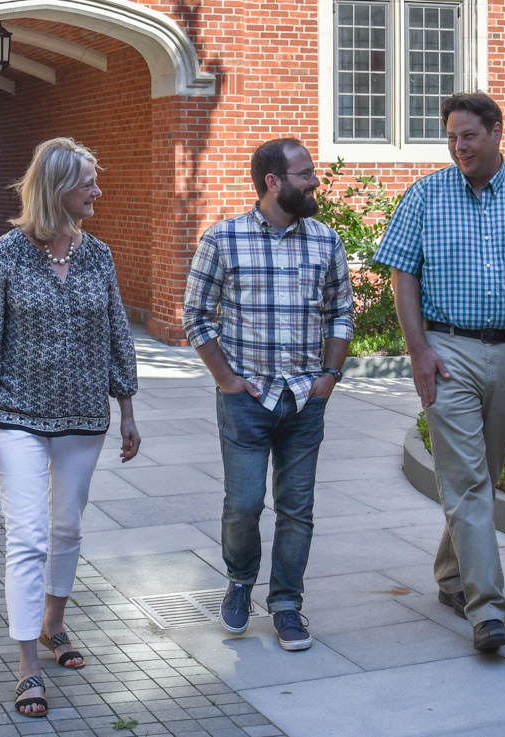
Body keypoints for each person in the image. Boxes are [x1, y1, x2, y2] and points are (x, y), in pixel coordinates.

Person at [374, 93, 505, 652]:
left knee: (481, 475)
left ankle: (448, 575)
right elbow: (403, 276)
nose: (459, 146)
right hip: (447, 350)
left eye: (468, 136)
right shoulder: (425, 196)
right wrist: (418, 350)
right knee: (466, 480)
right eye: (451, 138)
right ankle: (487, 609)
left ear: (495, 132)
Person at [0, 137, 140, 716]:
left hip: (84, 417)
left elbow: (118, 333)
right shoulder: (6, 255)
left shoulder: (100, 255)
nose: (98, 190)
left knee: (66, 528)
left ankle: (53, 624)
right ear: (57, 188)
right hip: (16, 417)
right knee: (28, 536)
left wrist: (128, 409)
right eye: (88, 181)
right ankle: (27, 667)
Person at [183, 138, 354, 651]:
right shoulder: (223, 240)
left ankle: (286, 604)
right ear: (273, 182)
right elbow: (195, 316)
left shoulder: (326, 242)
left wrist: (331, 375)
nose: (315, 181)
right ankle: (239, 582)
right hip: (246, 398)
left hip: (305, 398)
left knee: (297, 508)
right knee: (244, 503)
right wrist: (225, 379)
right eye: (305, 174)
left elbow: (341, 313)